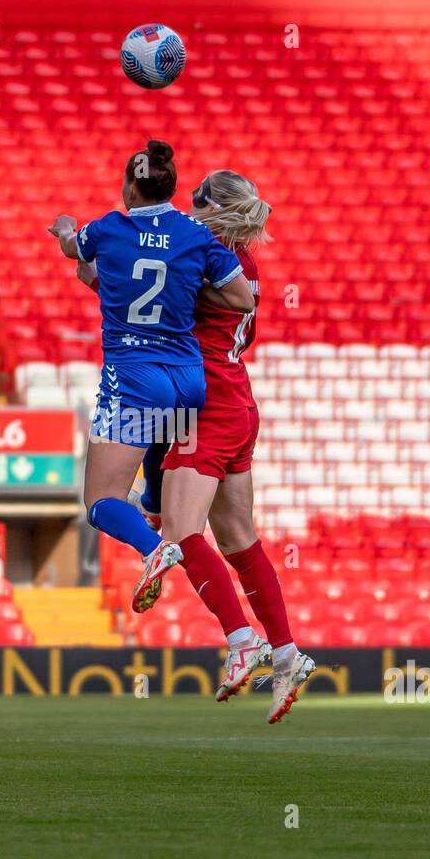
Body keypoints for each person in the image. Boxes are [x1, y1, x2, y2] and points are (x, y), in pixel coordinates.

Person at [80, 170, 316, 724]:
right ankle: (286, 652)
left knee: (181, 532)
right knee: (239, 537)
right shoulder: (243, 266)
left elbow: (151, 293)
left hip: (204, 406)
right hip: (239, 401)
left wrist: (95, 270)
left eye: (193, 203)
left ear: (210, 209)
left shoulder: (201, 257)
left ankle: (241, 643)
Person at [47, 140, 255, 613]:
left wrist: (63, 230)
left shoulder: (111, 228)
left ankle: (154, 548)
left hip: (135, 376)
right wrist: (185, 293)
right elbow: (243, 298)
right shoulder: (194, 234)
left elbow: (74, 251)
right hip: (189, 382)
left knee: (99, 502)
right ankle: (156, 505)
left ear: (131, 189)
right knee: (160, 437)